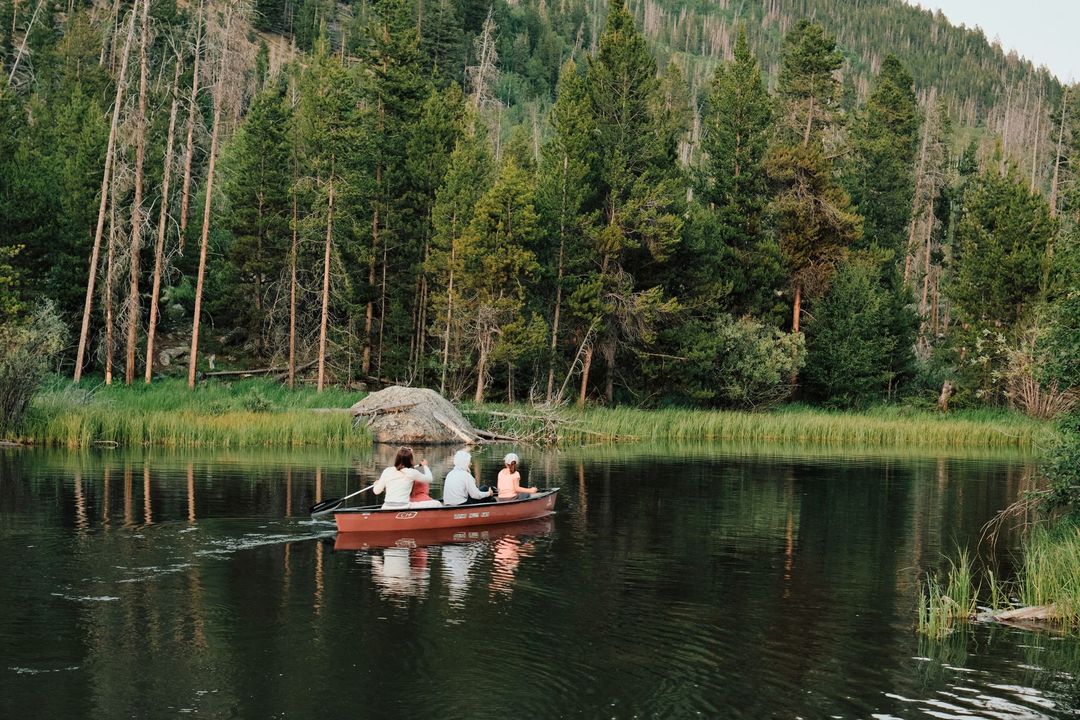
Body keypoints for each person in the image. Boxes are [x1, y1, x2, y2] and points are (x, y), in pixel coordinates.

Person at [373, 446, 440, 509]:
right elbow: (429, 479)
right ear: (410, 460)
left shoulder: (387, 471)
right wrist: (425, 466)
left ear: (397, 458)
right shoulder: (412, 472)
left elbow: (376, 491)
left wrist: (376, 484)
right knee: (437, 503)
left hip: (386, 507)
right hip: (404, 506)